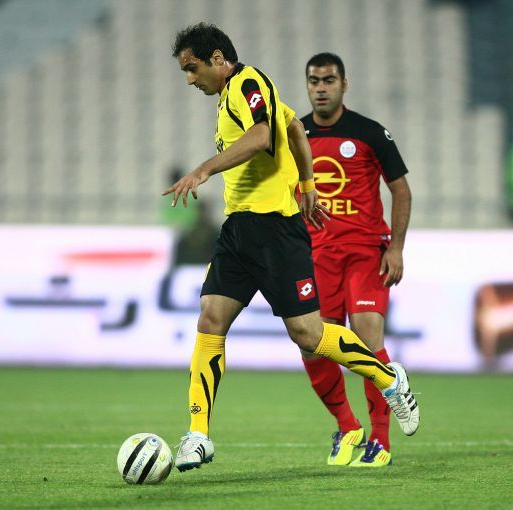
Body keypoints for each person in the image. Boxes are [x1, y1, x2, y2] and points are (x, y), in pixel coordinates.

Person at [164, 23, 419, 472]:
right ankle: (198, 434)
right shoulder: (231, 96)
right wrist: (308, 184)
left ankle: (388, 378)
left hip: (275, 230)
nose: (189, 79)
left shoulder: (248, 83)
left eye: (193, 67)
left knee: (309, 335)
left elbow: (263, 136)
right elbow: (295, 130)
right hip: (239, 229)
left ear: (218, 58)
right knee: (210, 318)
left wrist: (204, 169)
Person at [298, 53, 413, 468]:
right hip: (317, 256)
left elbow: (401, 190)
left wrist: (396, 247)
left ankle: (380, 440)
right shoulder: (295, 136)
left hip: (366, 252)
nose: (321, 88)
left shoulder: (369, 132)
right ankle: (348, 427)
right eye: (314, 81)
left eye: (329, 80)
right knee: (314, 344)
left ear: (344, 84)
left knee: (366, 337)